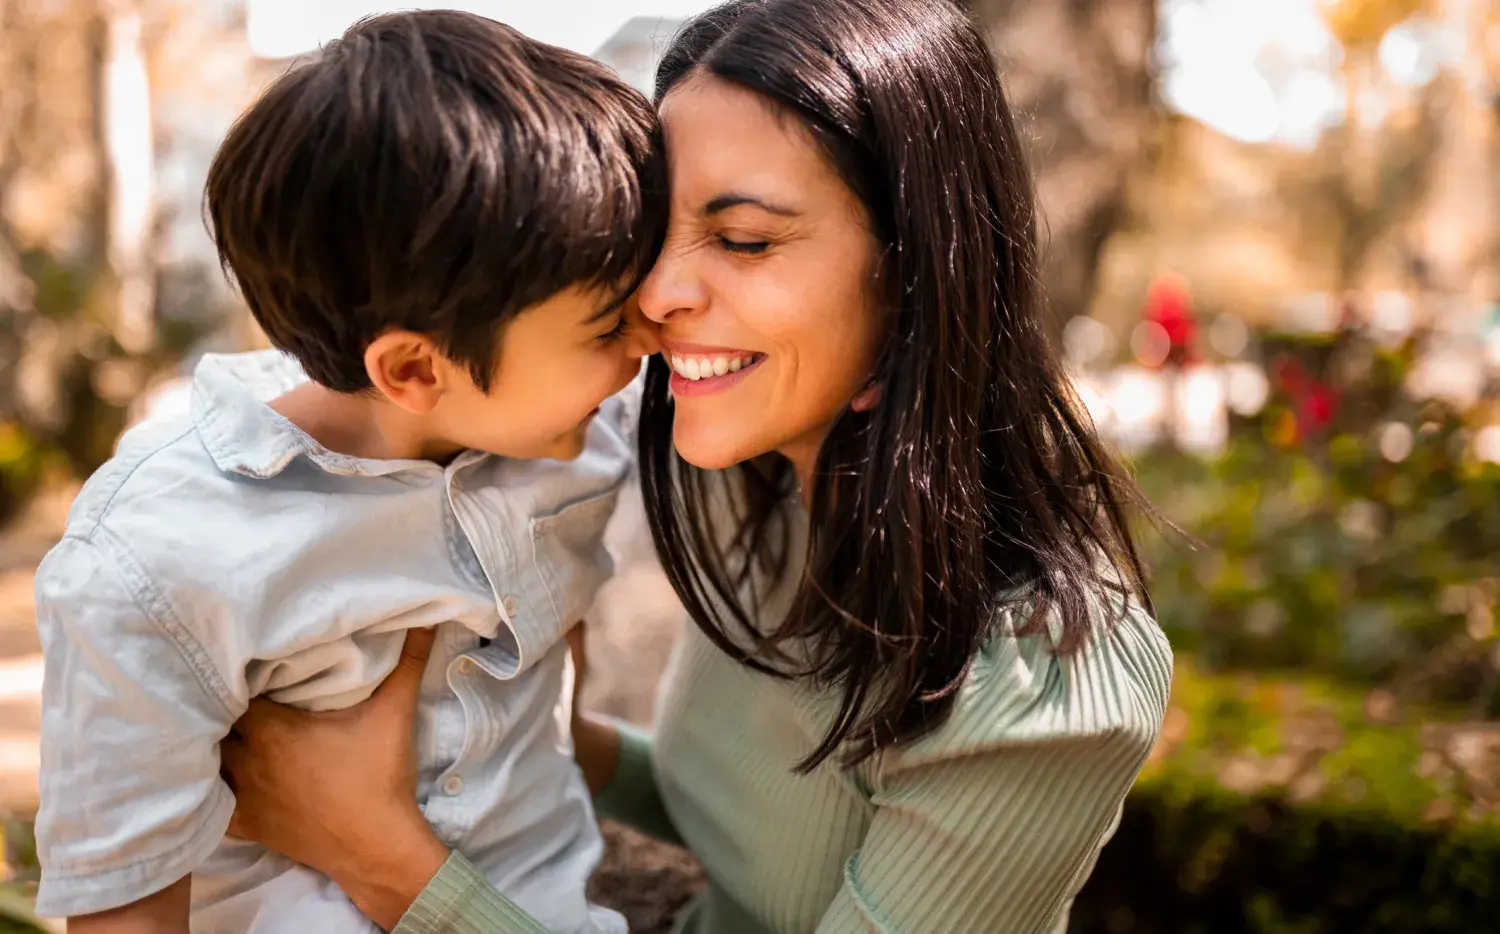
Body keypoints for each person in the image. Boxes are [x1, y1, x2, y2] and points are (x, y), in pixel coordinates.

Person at [221, 1, 1175, 932]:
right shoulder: (758, 487)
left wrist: (376, 853)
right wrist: (544, 739)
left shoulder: (1044, 686)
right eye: (652, 234)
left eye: (744, 240)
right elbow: (762, 825)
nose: (655, 294)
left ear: (916, 275)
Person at [30, 11, 665, 933]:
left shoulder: (570, 446)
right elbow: (126, 909)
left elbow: (557, 690)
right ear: (413, 370)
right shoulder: (163, 562)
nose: (647, 342)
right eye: (608, 326)